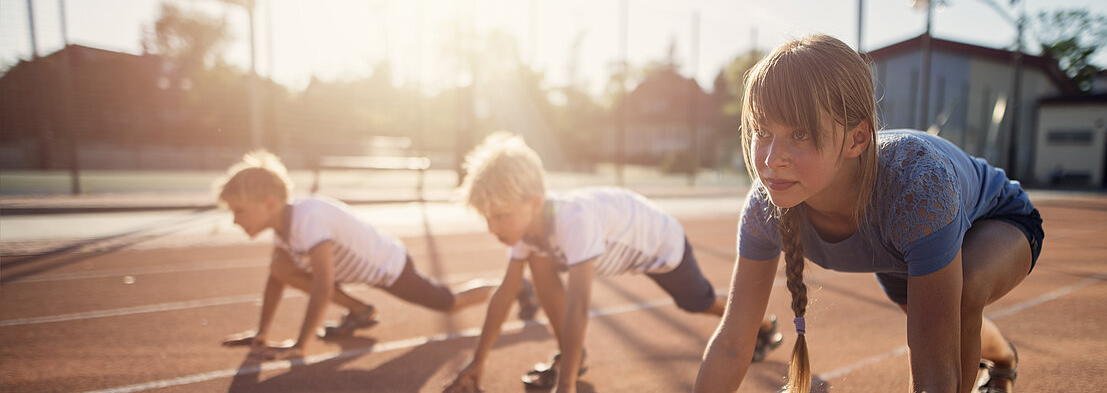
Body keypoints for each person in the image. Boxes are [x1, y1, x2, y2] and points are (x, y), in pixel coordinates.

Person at [693, 34, 1044, 393]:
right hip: (898, 249)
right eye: (763, 131)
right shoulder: (764, 207)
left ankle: (1001, 364)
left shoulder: (915, 188)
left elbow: (935, 373)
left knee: (962, 295)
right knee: (940, 320)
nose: (771, 159)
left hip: (998, 219)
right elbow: (733, 343)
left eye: (799, 133)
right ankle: (1003, 357)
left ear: (857, 139)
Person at [443, 133, 784, 393]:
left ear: (534, 203)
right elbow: (505, 292)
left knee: (697, 302)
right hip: (623, 239)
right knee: (538, 262)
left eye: (500, 216)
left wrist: (565, 387)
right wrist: (478, 361)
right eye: (487, 217)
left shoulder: (573, 222)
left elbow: (578, 307)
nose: (492, 228)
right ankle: (573, 357)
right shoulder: (526, 232)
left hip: (661, 245)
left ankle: (763, 328)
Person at [215, 151, 538, 360]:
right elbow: (276, 280)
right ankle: (361, 311)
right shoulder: (284, 228)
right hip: (357, 270)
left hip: (388, 266)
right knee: (280, 267)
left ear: (270, 203)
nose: (235, 220)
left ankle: (518, 288)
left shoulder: (307, 219)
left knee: (447, 302)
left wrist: (301, 344)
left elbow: (323, 286)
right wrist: (262, 333)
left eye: (240, 211)